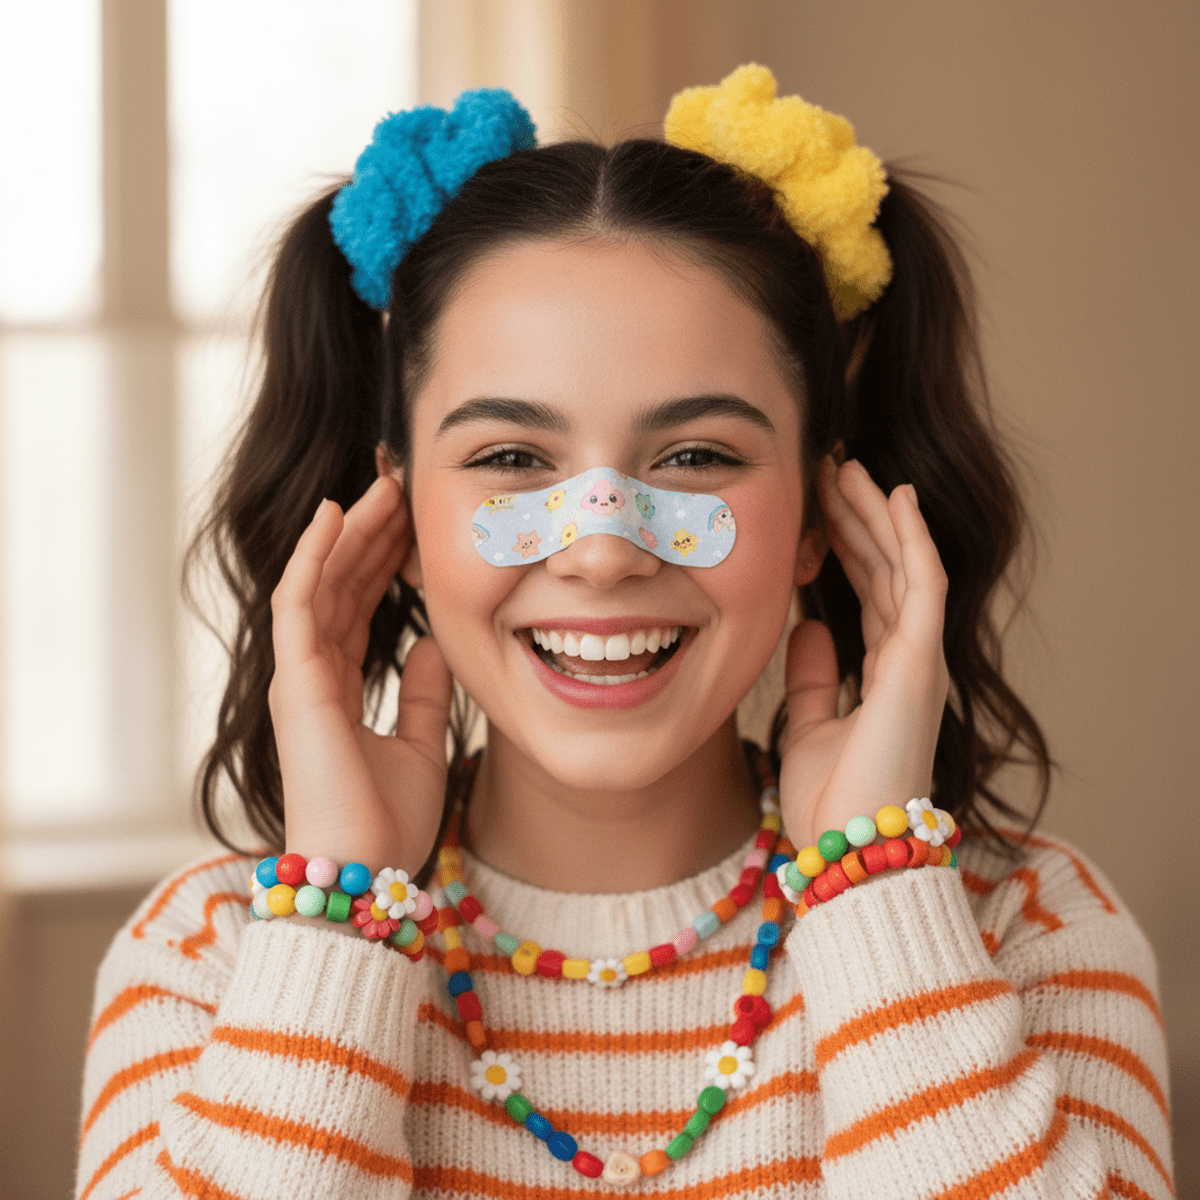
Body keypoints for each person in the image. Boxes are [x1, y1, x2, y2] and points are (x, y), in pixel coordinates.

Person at [76, 66, 1172, 1199]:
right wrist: (341, 911)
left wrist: (876, 885)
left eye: (696, 457)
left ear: (812, 513)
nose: (601, 550)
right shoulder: (211, 958)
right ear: (398, 515)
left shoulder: (1031, 934)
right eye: (510, 459)